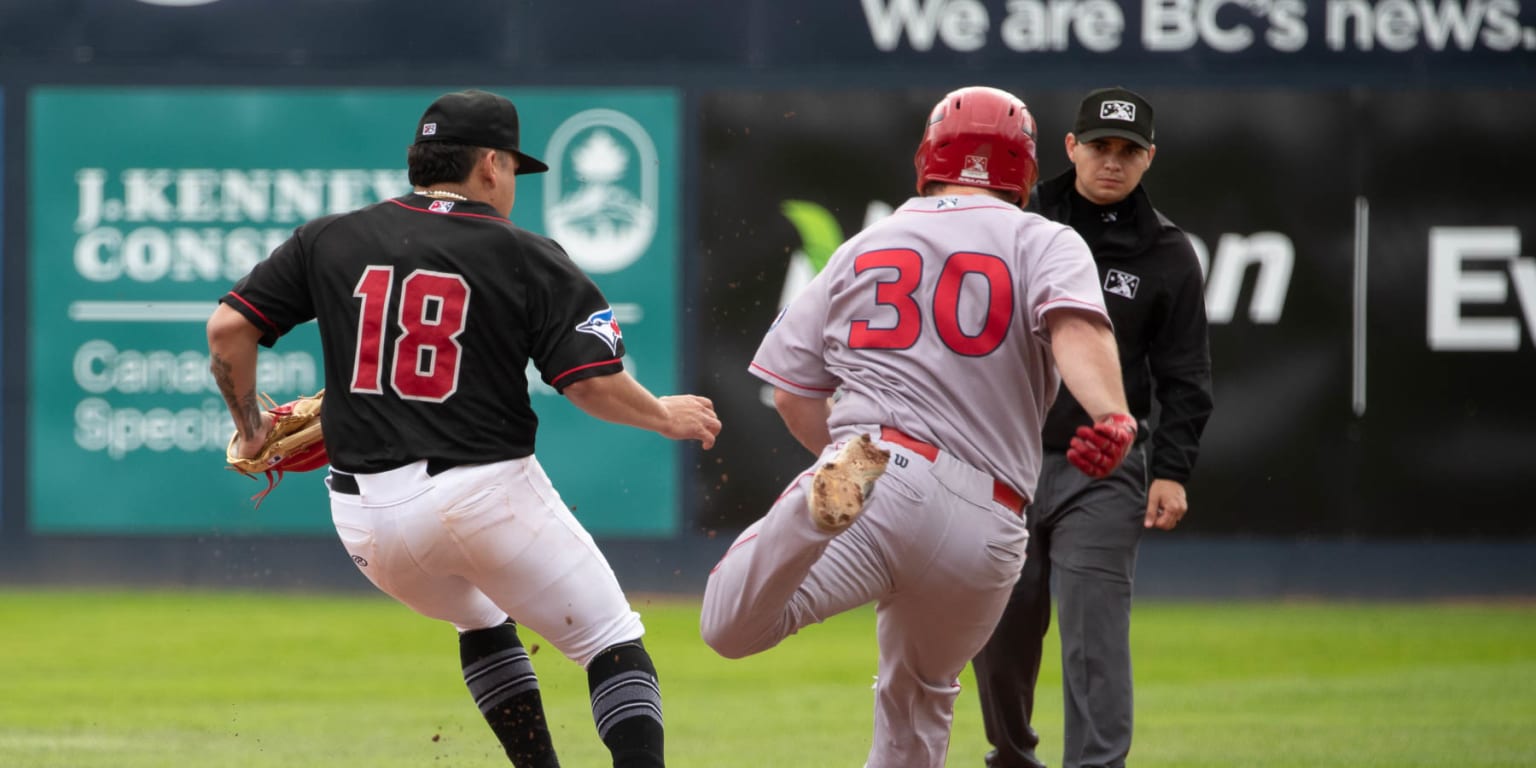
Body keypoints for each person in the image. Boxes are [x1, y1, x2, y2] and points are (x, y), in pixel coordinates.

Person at [206, 89, 721, 768]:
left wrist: (248, 429)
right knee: (610, 640)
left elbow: (229, 328)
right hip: (481, 493)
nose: (511, 182)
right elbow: (589, 383)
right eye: (511, 166)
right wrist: (663, 414)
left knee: (478, 617)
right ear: (487, 165)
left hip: (365, 521)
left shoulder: (330, 237)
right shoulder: (523, 253)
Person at [699, 85, 1139, 768]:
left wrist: (859, 468)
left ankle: (826, 498)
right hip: (990, 525)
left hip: (878, 473)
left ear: (928, 159)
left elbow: (790, 393)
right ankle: (846, 482)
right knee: (919, 702)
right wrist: (1111, 414)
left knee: (731, 623)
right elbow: (1076, 328)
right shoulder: (1045, 239)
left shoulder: (863, 247)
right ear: (1023, 166)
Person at [970, 86, 1215, 768]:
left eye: (1128, 151)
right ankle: (1012, 754)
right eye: (1100, 146)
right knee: (1001, 628)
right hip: (1003, 460)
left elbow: (1185, 374)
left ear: (1149, 159)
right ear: (1071, 147)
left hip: (1101, 470)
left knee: (1094, 637)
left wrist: (1171, 469)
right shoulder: (1013, 222)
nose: (1113, 162)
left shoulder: (1167, 252)